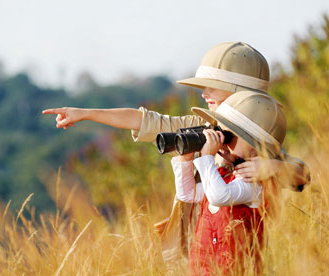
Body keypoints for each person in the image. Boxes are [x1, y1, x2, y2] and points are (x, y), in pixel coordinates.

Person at [42, 41, 310, 260]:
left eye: (212, 86)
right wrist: (86, 113)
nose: (204, 94)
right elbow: (145, 120)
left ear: (240, 92)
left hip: (235, 255)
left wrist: (273, 167)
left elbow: (302, 175)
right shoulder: (201, 126)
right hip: (192, 247)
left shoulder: (256, 141)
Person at [172, 90, 287, 275]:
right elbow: (188, 194)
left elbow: (220, 196)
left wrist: (207, 156)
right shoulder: (224, 176)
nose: (224, 142)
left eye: (230, 137)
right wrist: (186, 161)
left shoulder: (254, 183)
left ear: (257, 148)